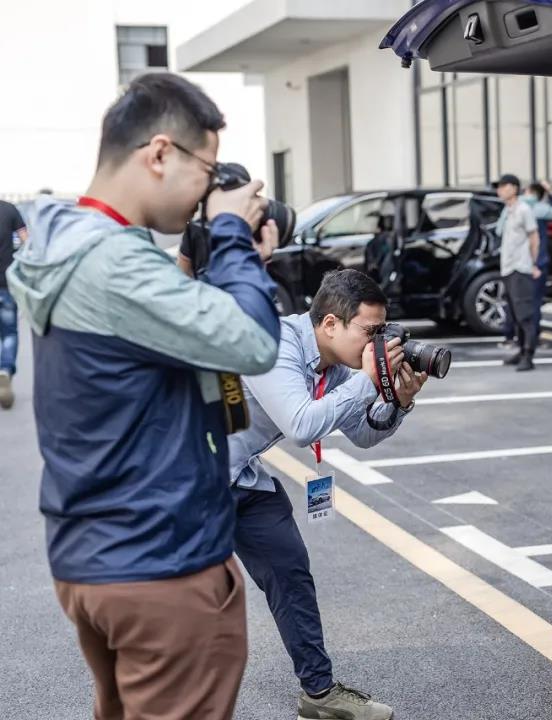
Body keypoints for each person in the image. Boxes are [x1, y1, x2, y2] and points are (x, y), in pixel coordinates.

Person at [4, 72, 281, 719]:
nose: (207, 193)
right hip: (161, 565)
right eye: (206, 172)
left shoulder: (63, 243)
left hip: (91, 557)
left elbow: (179, 341)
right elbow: (251, 343)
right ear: (160, 153)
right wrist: (232, 234)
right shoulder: (116, 264)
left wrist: (224, 258)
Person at [227, 269, 425, 720]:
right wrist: (368, 379)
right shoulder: (274, 342)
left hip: (240, 476)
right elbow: (301, 425)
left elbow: (363, 434)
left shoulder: (334, 367)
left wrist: (399, 401)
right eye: (371, 332)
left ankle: (318, 695)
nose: (379, 343)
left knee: (290, 572)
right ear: (331, 323)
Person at [495, 173, 541, 371]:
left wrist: (533, 264)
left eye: (503, 186)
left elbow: (534, 238)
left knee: (525, 315)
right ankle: (521, 351)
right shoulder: (508, 211)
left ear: (514, 188)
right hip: (508, 268)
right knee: (514, 315)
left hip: (520, 268)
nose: (499, 190)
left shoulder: (524, 209)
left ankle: (528, 356)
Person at [523, 182, 552, 343]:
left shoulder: (517, 207)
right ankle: (532, 335)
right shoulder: (541, 209)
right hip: (539, 262)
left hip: (520, 263)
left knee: (520, 301)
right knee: (535, 300)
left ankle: (518, 336)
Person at [0, 199, 27, 409]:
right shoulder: (9, 210)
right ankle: (5, 370)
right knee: (9, 332)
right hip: (5, 284)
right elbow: (27, 243)